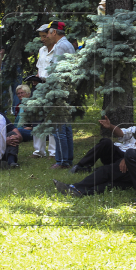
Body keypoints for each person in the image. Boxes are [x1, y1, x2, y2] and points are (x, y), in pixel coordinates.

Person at [68, 115, 136, 174]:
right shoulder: (135, 129)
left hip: (129, 159)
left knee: (123, 164)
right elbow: (121, 133)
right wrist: (109, 126)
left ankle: (93, 171)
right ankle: (80, 166)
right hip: (117, 153)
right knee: (106, 142)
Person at [45, 21, 76, 169]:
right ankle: (68, 159)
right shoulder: (68, 44)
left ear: (55, 32)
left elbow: (57, 70)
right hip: (67, 89)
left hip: (59, 90)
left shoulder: (59, 46)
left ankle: (62, 161)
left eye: (49, 32)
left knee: (59, 128)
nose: (47, 35)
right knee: (66, 127)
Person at [32, 23, 56, 158]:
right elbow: (39, 68)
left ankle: (53, 152)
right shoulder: (42, 50)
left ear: (51, 34)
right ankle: (38, 151)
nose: (42, 39)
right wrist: (35, 78)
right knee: (37, 118)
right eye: (40, 36)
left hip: (52, 87)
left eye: (44, 36)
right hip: (40, 87)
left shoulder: (58, 49)